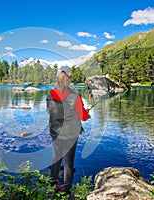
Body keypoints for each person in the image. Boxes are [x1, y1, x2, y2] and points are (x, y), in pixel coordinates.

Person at [46, 66, 89, 196]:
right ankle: (66, 193)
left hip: (55, 133)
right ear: (69, 78)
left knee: (55, 161)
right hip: (70, 134)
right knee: (68, 165)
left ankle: (53, 190)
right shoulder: (75, 96)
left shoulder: (50, 96)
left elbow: (51, 112)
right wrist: (86, 112)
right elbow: (83, 117)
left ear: (57, 78)